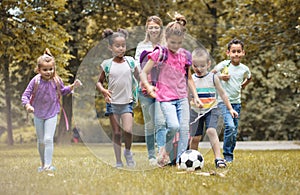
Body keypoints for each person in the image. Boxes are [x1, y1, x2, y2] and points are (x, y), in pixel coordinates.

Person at [140, 13, 202, 166]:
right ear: (166, 38)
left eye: (179, 43)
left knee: (184, 130)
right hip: (165, 98)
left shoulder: (185, 55)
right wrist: (148, 86)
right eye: (172, 42)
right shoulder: (160, 53)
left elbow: (188, 78)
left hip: (182, 97)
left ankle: (180, 160)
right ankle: (164, 150)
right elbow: (143, 72)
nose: (175, 46)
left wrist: (196, 96)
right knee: (173, 126)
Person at [21, 48, 82, 172]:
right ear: (39, 70)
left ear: (54, 69)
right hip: (37, 113)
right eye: (45, 69)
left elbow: (63, 91)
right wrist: (27, 105)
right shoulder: (35, 81)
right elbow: (25, 95)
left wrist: (72, 86)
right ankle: (43, 164)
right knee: (41, 141)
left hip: (52, 113)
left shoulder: (56, 80)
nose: (48, 72)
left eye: (51, 69)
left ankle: (48, 166)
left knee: (48, 139)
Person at [96, 28, 139, 168]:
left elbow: (139, 77)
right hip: (112, 103)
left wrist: (145, 86)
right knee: (116, 133)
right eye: (117, 46)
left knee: (128, 130)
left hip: (127, 102)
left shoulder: (130, 62)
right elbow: (99, 82)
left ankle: (128, 152)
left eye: (123, 45)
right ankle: (118, 161)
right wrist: (103, 90)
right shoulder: (107, 64)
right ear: (110, 47)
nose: (121, 48)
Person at [189, 47, 238, 168]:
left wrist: (230, 108)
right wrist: (193, 101)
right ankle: (191, 157)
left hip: (211, 109)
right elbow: (187, 96)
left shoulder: (213, 78)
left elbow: (222, 93)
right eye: (195, 66)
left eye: (202, 66)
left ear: (208, 64)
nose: (199, 69)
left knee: (211, 130)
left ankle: (218, 158)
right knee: (195, 138)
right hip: (195, 111)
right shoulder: (191, 80)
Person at [212, 38, 252, 162]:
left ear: (243, 53)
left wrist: (243, 85)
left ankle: (229, 154)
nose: (236, 54)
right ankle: (227, 156)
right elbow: (210, 75)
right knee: (230, 126)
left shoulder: (244, 68)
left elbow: (249, 77)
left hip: (237, 103)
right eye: (233, 51)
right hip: (223, 102)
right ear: (228, 53)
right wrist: (221, 76)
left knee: (234, 132)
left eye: (238, 51)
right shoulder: (224, 65)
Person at [134, 15, 167, 166]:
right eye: (151, 27)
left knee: (161, 122)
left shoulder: (166, 44)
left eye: (156, 27)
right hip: (145, 89)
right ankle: (151, 156)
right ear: (147, 29)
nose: (153, 30)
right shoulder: (142, 46)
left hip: (163, 89)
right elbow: (138, 68)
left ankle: (161, 154)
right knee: (150, 124)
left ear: (161, 29)